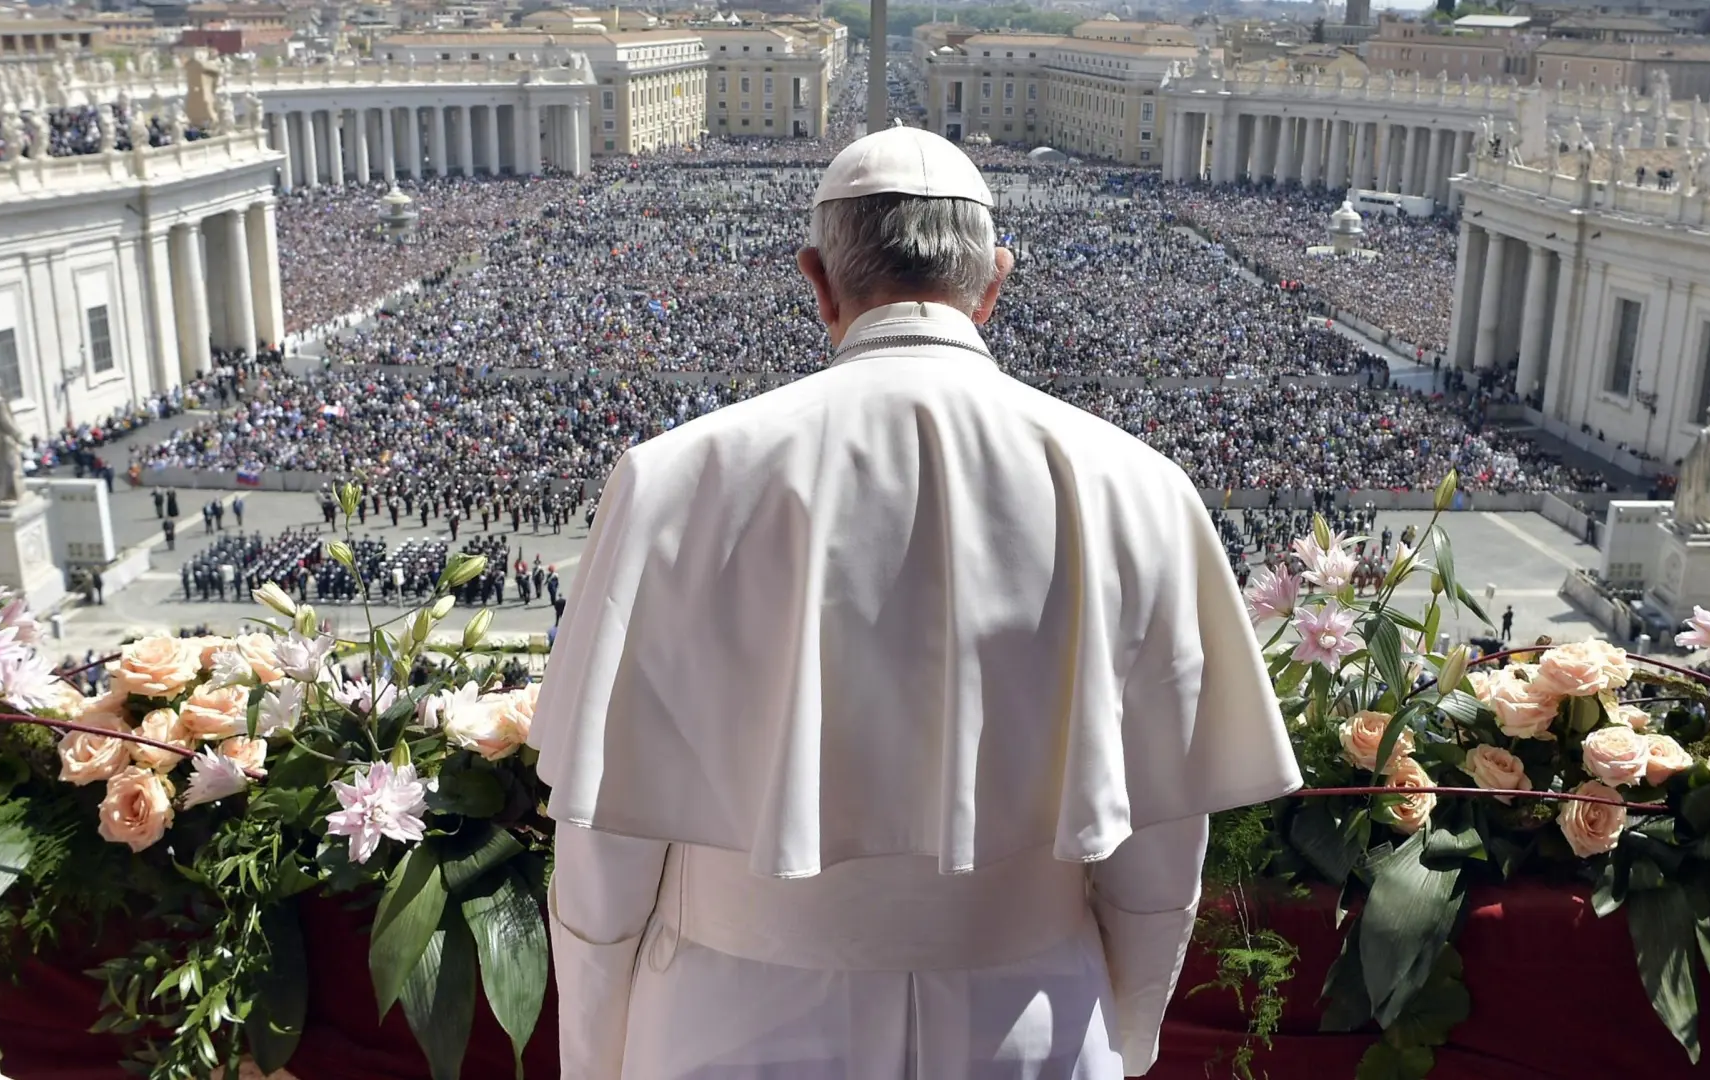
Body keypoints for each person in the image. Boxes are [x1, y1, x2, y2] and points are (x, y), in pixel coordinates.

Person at [530, 126, 1299, 1080]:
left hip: (728, 1020)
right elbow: (1157, 856)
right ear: (994, 282)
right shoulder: (1139, 485)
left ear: (817, 279)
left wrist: (596, 1051)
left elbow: (605, 850)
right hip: (1032, 1022)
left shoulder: (673, 478)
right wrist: (1125, 1027)